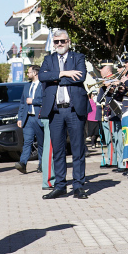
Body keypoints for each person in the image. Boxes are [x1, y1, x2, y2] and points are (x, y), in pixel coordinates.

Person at [40, 29, 90, 199]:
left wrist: (54, 77)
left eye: (62, 41)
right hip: (56, 111)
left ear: (68, 41)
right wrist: (64, 73)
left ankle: (78, 186)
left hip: (74, 109)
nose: (59, 44)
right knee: (58, 151)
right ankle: (60, 185)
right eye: (56, 42)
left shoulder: (78, 58)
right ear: (53, 44)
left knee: (78, 150)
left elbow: (80, 77)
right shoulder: (48, 59)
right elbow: (41, 77)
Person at [16, 65, 43, 175]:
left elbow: (46, 100)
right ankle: (23, 163)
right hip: (28, 119)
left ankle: (42, 164)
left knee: (41, 143)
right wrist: (20, 117)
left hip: (39, 118)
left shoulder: (43, 85)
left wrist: (34, 101)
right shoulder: (27, 86)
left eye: (29, 72)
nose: (27, 74)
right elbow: (22, 102)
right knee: (27, 142)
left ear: (35, 73)